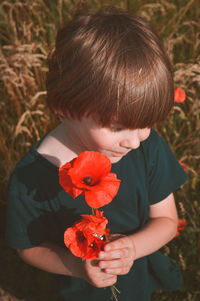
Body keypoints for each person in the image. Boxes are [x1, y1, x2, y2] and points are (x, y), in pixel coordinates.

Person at [6, 7, 188, 301]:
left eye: (146, 124)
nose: (134, 141)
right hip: (76, 288)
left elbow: (166, 221)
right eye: (118, 127)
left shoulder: (147, 146)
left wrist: (132, 248)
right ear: (65, 107)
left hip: (136, 276)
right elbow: (28, 247)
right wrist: (77, 266)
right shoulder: (31, 177)